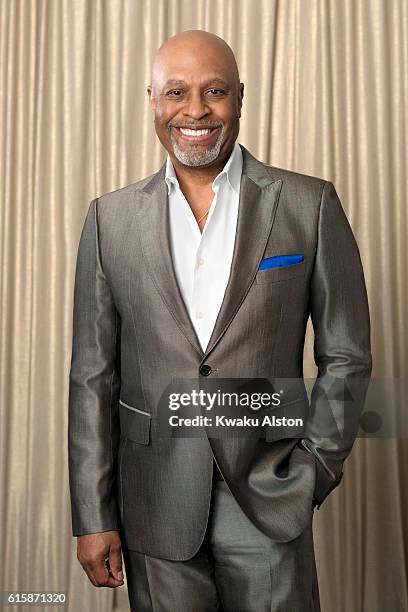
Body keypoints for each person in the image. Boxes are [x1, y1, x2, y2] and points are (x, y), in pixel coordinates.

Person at [68, 29, 372, 611]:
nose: (195, 110)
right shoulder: (109, 221)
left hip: (268, 494)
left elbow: (347, 356)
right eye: (176, 92)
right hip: (153, 503)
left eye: (214, 91)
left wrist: (314, 468)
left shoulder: (309, 205)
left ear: (240, 96)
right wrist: (92, 511)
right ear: (152, 100)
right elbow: (92, 376)